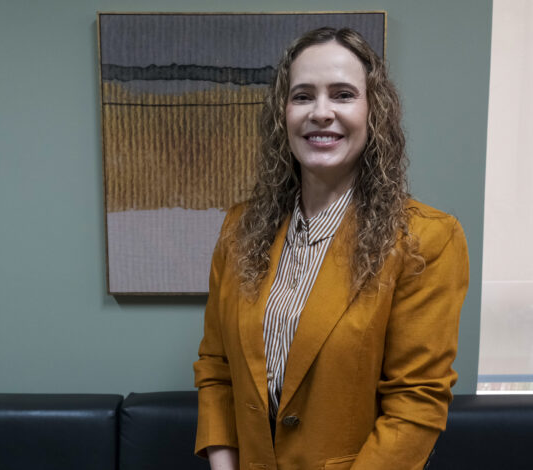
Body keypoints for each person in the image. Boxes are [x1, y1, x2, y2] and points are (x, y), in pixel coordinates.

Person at [193, 27, 469, 470]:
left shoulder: (427, 239)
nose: (321, 113)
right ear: (283, 113)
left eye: (343, 95)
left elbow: (415, 405)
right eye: (303, 96)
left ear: (373, 111)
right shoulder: (239, 229)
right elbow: (216, 368)